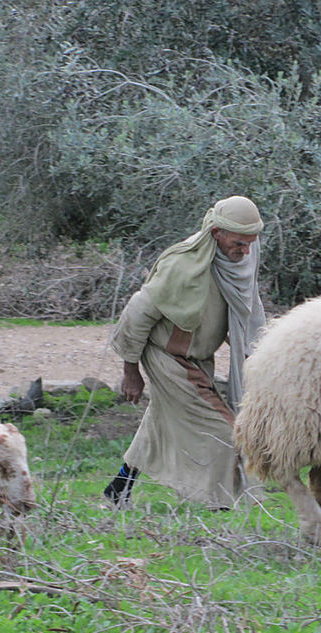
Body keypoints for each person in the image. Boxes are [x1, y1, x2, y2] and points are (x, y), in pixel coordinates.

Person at [103, 195, 267, 509]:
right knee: (225, 430)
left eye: (251, 242)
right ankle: (218, 505)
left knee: (159, 421)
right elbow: (138, 312)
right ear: (217, 233)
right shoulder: (184, 265)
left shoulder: (242, 260)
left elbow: (248, 308)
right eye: (238, 243)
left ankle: (119, 488)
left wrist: (258, 355)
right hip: (169, 358)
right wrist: (130, 372)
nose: (245, 250)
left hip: (198, 358)